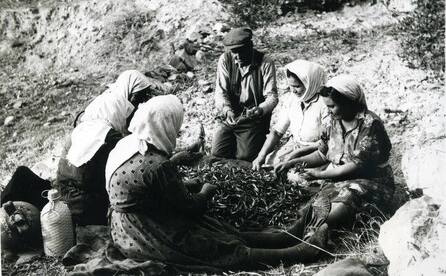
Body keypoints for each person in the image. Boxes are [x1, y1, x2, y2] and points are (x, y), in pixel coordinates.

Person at [105, 95, 330, 272]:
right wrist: (206, 191)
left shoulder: (128, 144)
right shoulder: (157, 165)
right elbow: (191, 208)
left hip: (125, 225)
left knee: (215, 228)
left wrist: (187, 181)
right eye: (175, 125)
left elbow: (146, 188)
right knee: (217, 247)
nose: (177, 131)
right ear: (163, 125)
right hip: (145, 233)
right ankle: (300, 252)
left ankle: (286, 236)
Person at [274, 74, 395, 231]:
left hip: (371, 181)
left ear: (348, 104)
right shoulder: (332, 122)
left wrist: (319, 175)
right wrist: (292, 162)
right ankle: (301, 230)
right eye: (327, 107)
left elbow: (357, 166)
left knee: (346, 198)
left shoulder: (370, 124)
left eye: (332, 106)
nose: (329, 111)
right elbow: (322, 154)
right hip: (340, 180)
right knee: (314, 204)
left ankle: (312, 230)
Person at [56, 70, 156, 226]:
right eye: (136, 99)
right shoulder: (108, 135)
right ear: (119, 110)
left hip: (63, 199)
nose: (137, 106)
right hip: (86, 208)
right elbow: (139, 162)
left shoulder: (85, 126)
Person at [211, 27, 278, 162]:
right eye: (234, 52)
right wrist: (226, 110)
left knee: (245, 157)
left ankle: (252, 142)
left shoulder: (265, 61)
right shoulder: (225, 59)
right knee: (217, 154)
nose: (238, 56)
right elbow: (221, 92)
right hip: (230, 116)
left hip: (253, 119)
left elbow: (272, 97)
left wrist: (260, 109)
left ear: (250, 46)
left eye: (241, 51)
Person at [252, 60, 329, 171]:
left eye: (297, 86)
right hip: (295, 145)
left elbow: (327, 140)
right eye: (291, 86)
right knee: (269, 163)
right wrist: (261, 156)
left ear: (310, 84)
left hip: (316, 151)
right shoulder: (292, 99)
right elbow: (277, 131)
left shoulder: (324, 104)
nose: (293, 90)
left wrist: (298, 153)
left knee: (301, 175)